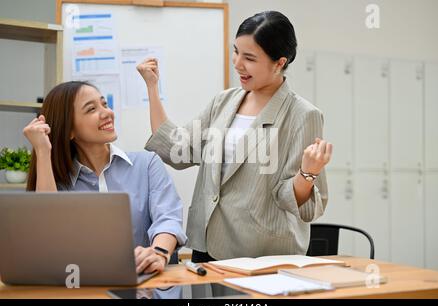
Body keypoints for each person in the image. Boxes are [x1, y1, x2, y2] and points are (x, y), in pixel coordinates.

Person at [137, 11, 332, 262]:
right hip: (207, 246)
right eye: (236, 51)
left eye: (249, 57)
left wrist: (308, 173)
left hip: (260, 255)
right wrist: (152, 88)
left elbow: (292, 200)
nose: (237, 63)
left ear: (279, 62)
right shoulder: (224, 101)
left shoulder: (303, 115)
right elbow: (179, 149)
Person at [23, 81, 187, 275]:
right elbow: (49, 237)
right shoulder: (57, 184)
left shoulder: (147, 164)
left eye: (104, 104)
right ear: (69, 130)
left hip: (147, 286)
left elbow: (168, 218)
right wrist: (42, 150)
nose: (107, 113)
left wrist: (158, 253)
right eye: (92, 109)